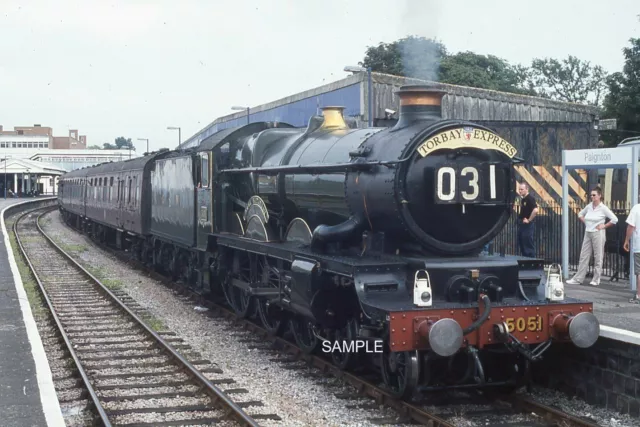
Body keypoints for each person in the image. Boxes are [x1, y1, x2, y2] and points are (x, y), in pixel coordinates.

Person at [566, 187, 618, 286]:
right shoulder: (589, 206)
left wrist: (604, 226)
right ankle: (578, 278)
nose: (592, 197)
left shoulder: (603, 208)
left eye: (594, 195)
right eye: (591, 195)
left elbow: (614, 219)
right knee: (583, 255)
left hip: (598, 233)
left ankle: (596, 278)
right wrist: (586, 222)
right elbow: (580, 214)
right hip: (588, 232)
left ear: (599, 196)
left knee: (598, 256)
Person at [624, 202, 640, 303]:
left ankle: (639, 295)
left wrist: (626, 240)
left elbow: (631, 226)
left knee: (639, 271)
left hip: (639, 245)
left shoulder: (636, 208)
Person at [517, 183, 538, 257]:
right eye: (519, 189)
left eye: (522, 189)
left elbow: (535, 210)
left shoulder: (530, 198)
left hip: (527, 225)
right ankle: (525, 260)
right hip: (522, 224)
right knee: (522, 242)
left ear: (527, 189)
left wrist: (529, 220)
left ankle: (531, 261)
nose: (520, 191)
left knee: (527, 244)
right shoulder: (523, 199)